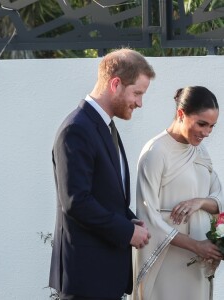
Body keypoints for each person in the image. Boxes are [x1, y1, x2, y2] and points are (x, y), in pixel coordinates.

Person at [48, 48, 155, 300]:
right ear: (115, 84)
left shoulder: (104, 126)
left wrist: (128, 220)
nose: (139, 102)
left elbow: (105, 194)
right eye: (137, 93)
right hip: (86, 278)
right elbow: (76, 201)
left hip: (104, 275)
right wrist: (126, 231)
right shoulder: (76, 129)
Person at [131, 86, 224, 300]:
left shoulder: (200, 151)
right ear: (181, 114)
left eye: (212, 126)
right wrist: (196, 246)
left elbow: (219, 197)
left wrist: (198, 202)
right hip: (166, 259)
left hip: (199, 261)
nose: (207, 132)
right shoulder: (155, 152)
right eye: (202, 124)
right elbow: (148, 217)